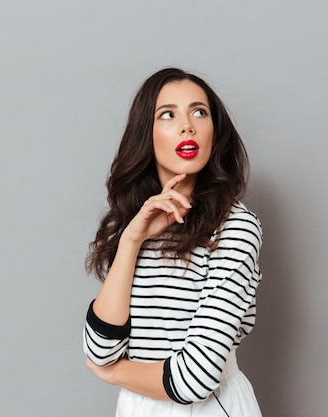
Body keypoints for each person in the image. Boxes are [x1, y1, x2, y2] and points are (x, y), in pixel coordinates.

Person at [83, 67, 263, 417]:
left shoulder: (235, 227)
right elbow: (101, 348)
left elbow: (196, 378)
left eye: (200, 112)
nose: (187, 126)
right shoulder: (134, 225)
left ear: (215, 131)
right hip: (137, 408)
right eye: (168, 114)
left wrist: (115, 372)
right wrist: (132, 240)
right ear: (145, 134)